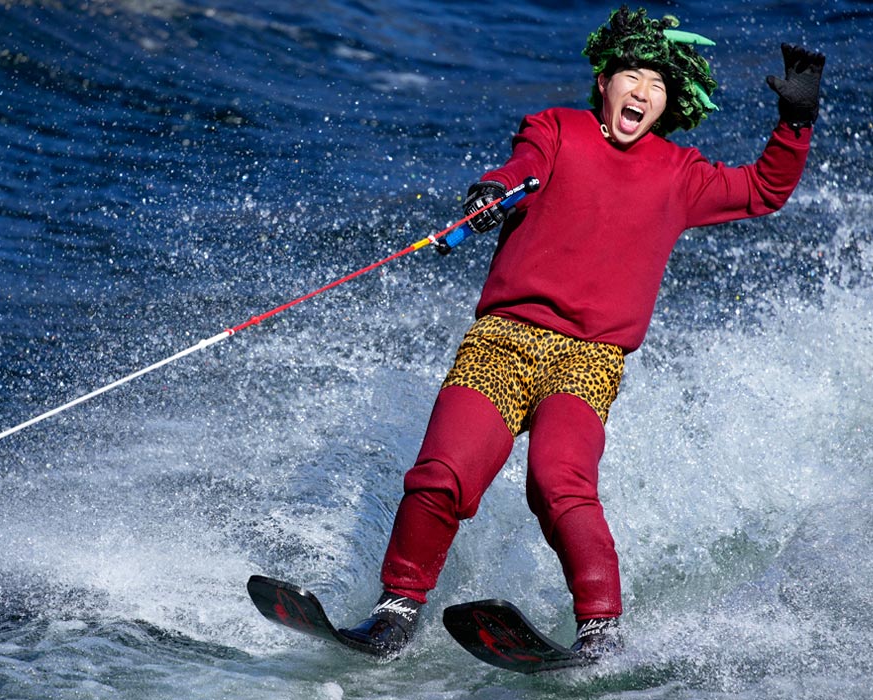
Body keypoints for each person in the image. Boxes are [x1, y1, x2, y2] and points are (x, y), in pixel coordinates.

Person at [338, 6, 825, 658]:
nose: (642, 91)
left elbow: (764, 189)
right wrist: (493, 190)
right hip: (505, 339)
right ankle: (395, 612)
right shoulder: (556, 130)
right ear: (604, 80)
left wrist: (794, 123)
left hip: (589, 359)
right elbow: (520, 167)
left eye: (656, 83)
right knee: (442, 473)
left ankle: (600, 629)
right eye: (630, 75)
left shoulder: (680, 175)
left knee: (558, 481)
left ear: (669, 98)